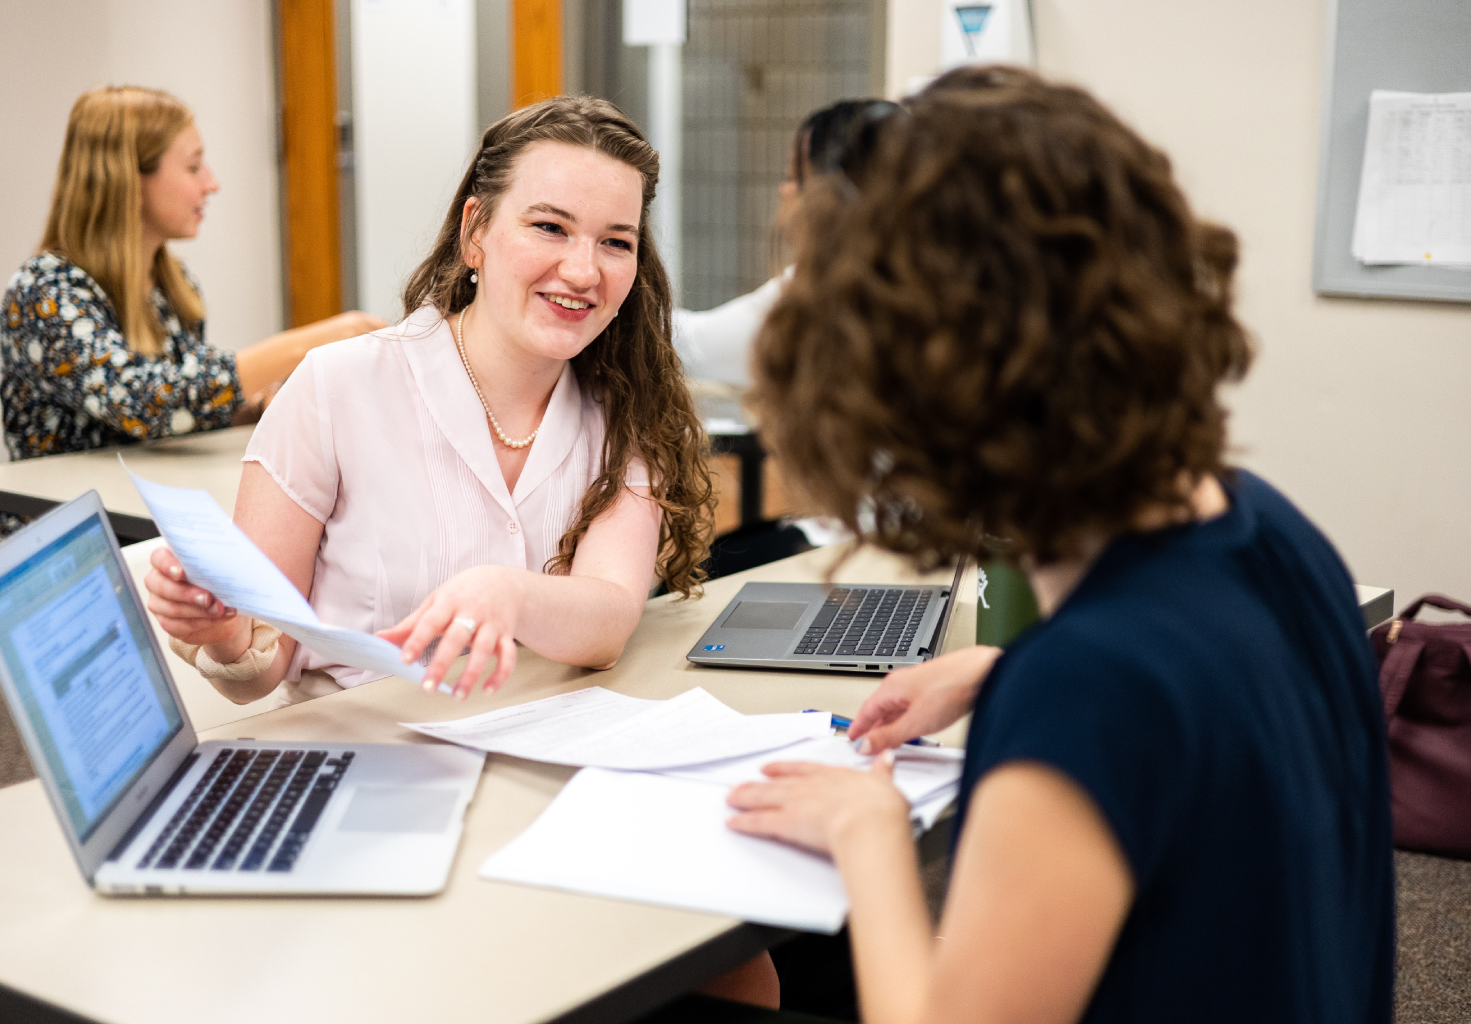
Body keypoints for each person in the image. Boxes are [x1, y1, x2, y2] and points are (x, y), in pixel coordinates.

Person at [727, 67, 1394, 1023]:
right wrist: (1000, 672)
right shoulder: (1277, 533)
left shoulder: (1088, 689)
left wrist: (869, 836)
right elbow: (1205, 711)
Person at [141, 95, 715, 711]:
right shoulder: (336, 387)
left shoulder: (628, 408)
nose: (582, 270)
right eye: (550, 227)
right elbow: (262, 664)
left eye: (615, 242)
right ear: (476, 233)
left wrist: (506, 595)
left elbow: (607, 620)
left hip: (534, 755)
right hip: (366, 757)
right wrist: (228, 636)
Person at [0, 86, 384, 462]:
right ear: (128, 180)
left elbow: (185, 413)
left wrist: (254, 408)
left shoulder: (170, 283)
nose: (211, 183)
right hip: (79, 523)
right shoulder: (44, 292)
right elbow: (144, 403)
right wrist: (313, 341)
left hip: (148, 508)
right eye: (193, 166)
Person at [673, 98, 901, 387]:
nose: (784, 190)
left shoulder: (816, 302)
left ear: (835, 192)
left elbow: (692, 348)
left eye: (794, 177)